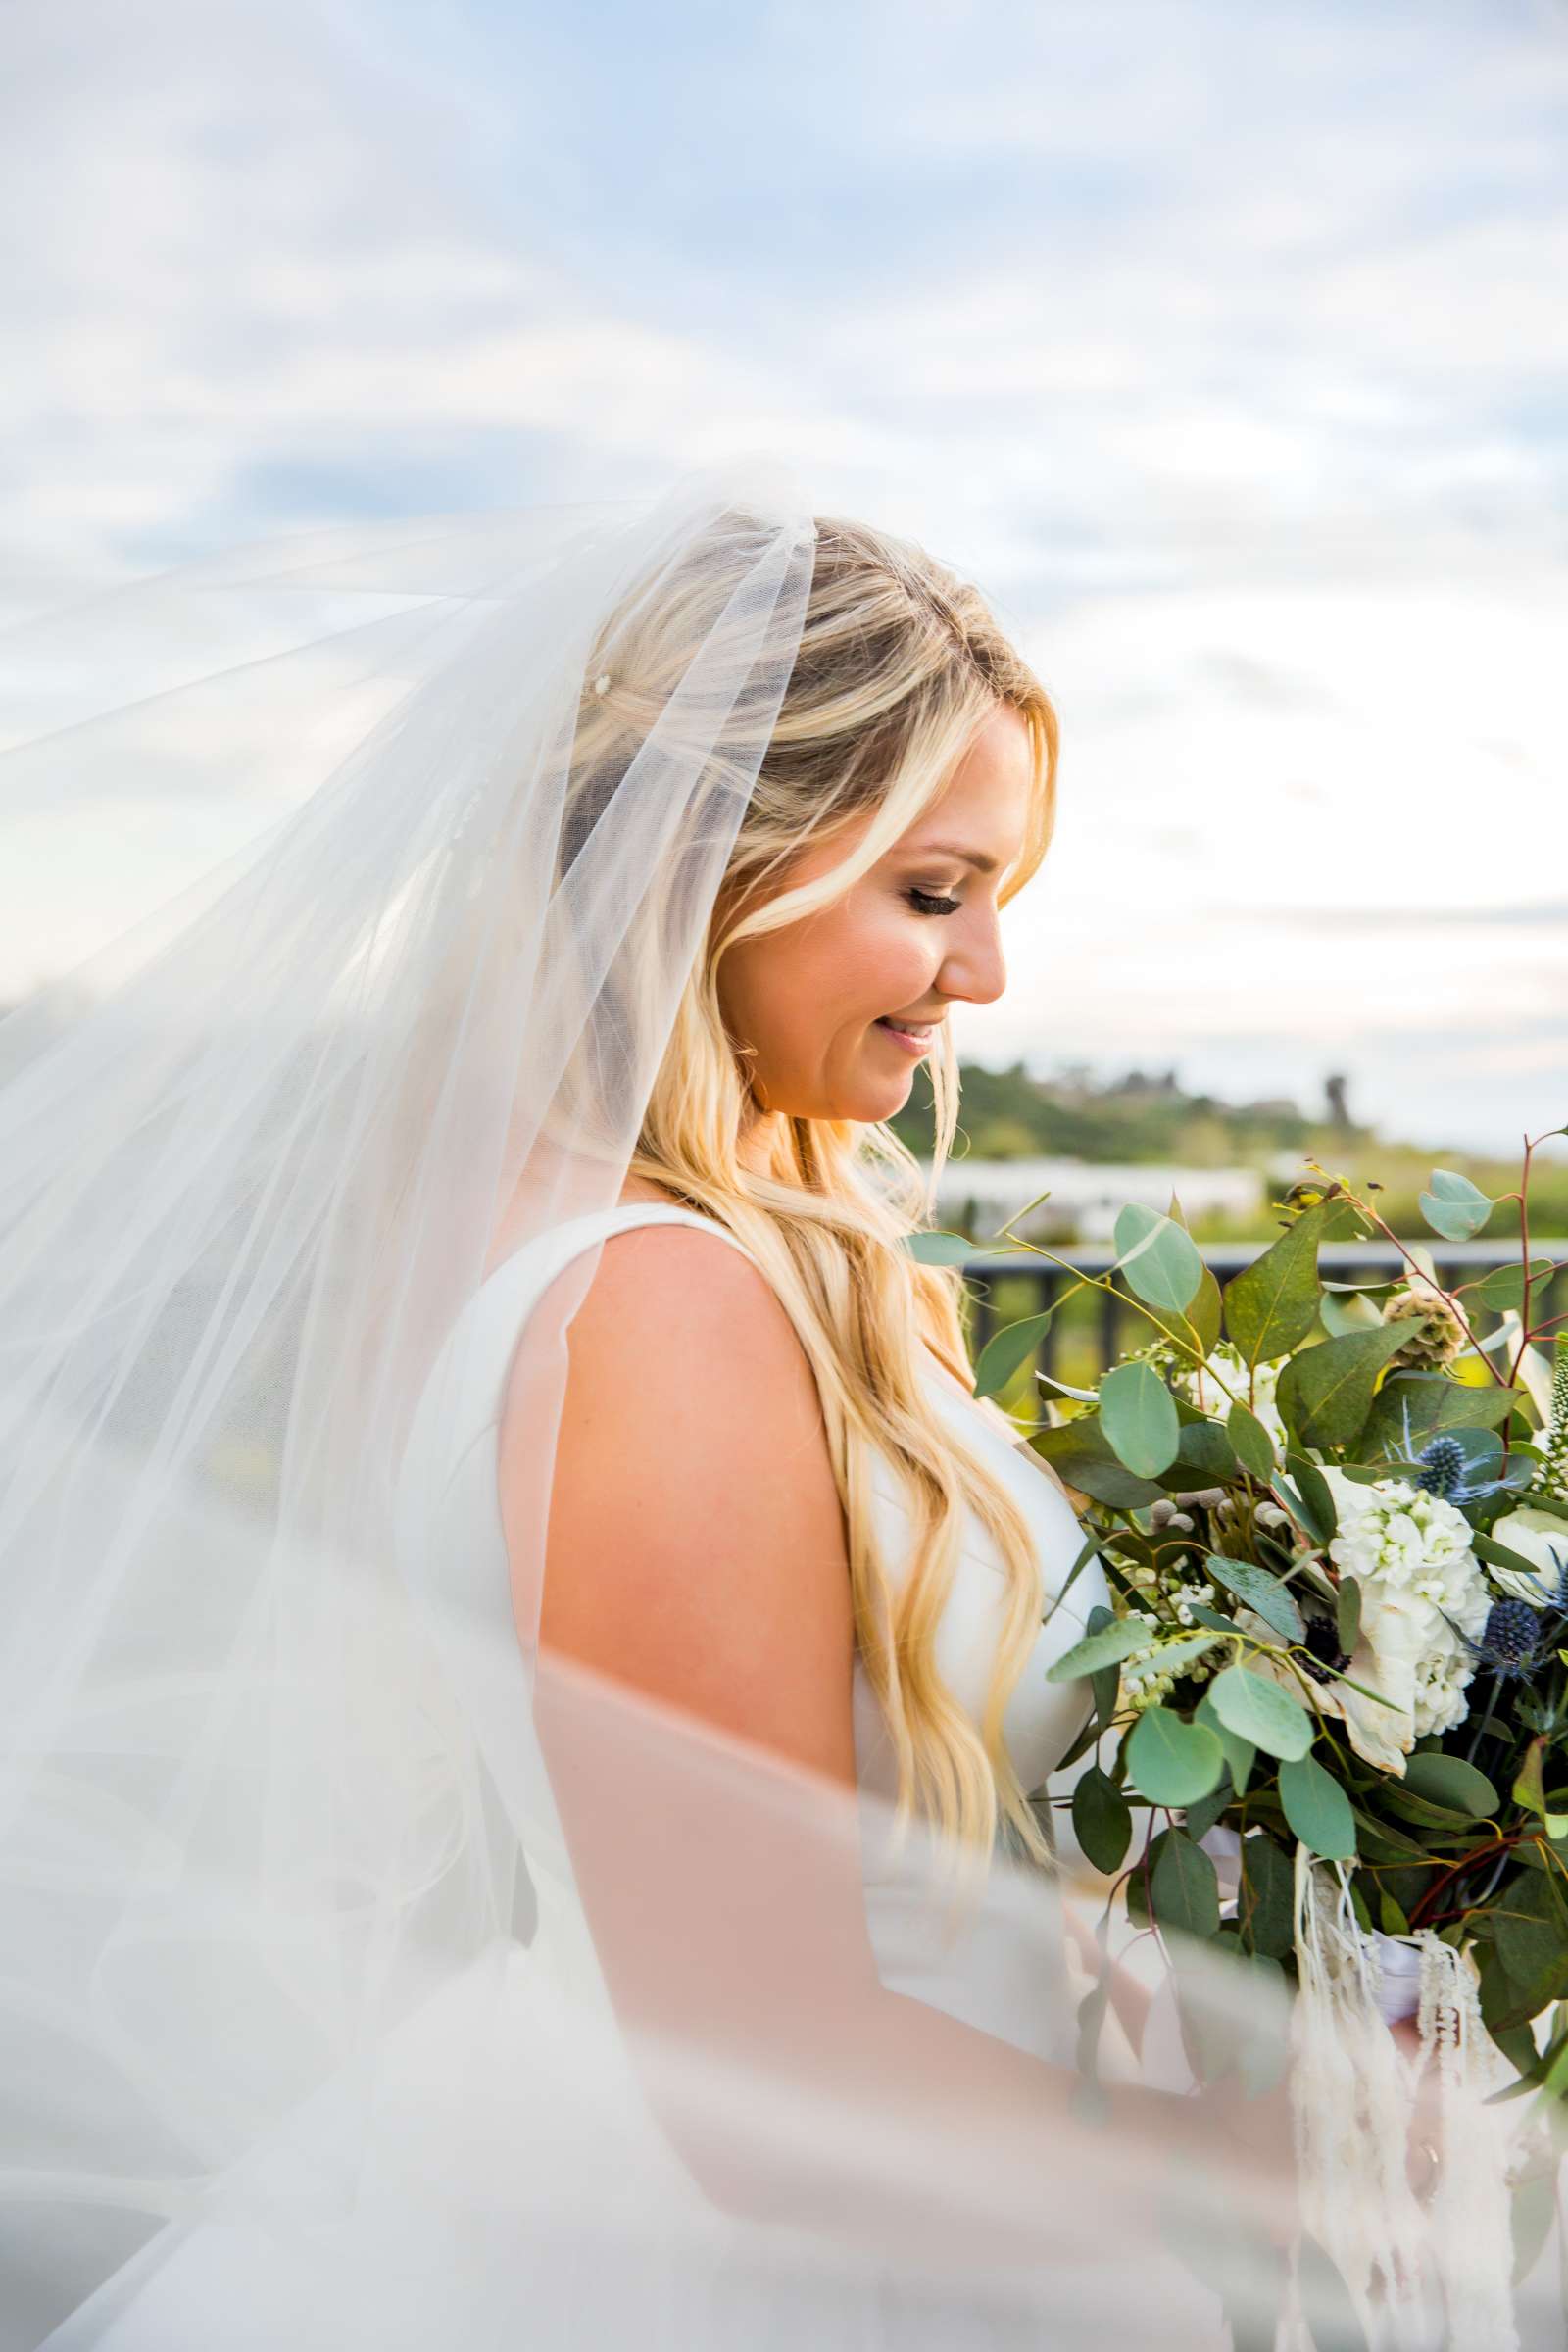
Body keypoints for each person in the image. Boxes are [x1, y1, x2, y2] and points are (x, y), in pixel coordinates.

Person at [0, 465, 1348, 2350]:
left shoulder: (620, 1231)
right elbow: (755, 2064)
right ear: (724, 865)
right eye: (934, 892)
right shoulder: (662, 1306)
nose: (986, 973)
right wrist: (1265, 2171)